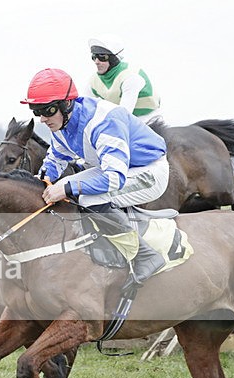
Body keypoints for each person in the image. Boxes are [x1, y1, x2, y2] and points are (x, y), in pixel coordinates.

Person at [21, 68, 170, 293]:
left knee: (86, 197)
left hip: (148, 172)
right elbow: (57, 157)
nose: (42, 118)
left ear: (67, 104)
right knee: (65, 187)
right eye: (36, 111)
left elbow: (113, 179)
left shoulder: (103, 122)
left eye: (47, 110)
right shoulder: (61, 123)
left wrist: (67, 188)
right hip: (115, 169)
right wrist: (42, 180)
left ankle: (145, 255)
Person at [87, 34, 161, 124]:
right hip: (123, 121)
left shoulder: (131, 77)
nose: (96, 61)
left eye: (102, 57)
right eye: (94, 56)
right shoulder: (94, 81)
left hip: (149, 121)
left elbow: (124, 114)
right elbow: (87, 109)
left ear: (114, 58)